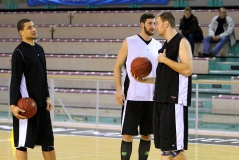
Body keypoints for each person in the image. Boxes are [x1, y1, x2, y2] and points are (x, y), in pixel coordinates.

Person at [133, 12, 192, 160]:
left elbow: (187, 69)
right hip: (160, 100)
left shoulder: (182, 42)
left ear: (166, 24)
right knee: (165, 150)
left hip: (174, 100)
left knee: (176, 150)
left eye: (157, 23)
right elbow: (164, 78)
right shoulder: (165, 46)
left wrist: (165, 60)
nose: (156, 26)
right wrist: (145, 80)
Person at [114, 13, 162, 160]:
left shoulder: (158, 46)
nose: (153, 26)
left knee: (146, 136)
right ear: (142, 24)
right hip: (132, 96)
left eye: (154, 23)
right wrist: (118, 89)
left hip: (152, 97)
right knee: (128, 135)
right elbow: (117, 66)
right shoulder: (129, 42)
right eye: (150, 23)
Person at [10, 19, 56, 160]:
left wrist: (47, 97)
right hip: (27, 107)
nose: (34, 29)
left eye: (34, 26)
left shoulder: (39, 49)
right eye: (29, 27)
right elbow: (15, 79)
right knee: (22, 144)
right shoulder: (19, 52)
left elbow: (43, 76)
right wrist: (13, 105)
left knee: (48, 144)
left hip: (42, 106)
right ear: (21, 32)